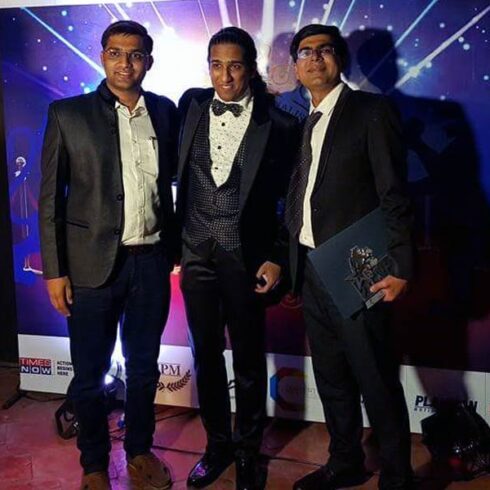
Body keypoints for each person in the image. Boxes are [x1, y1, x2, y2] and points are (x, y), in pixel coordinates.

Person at [38, 20, 179, 490]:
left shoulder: (165, 111)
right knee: (89, 373)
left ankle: (139, 451)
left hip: (151, 262)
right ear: (102, 56)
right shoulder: (68, 114)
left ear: (148, 61)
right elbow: (49, 199)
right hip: (89, 267)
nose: (125, 63)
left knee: (143, 368)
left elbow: (173, 184)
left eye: (135, 54)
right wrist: (55, 271)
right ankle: (94, 464)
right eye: (116, 53)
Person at [286, 25, 414, 490]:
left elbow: (394, 193)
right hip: (310, 267)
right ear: (295, 66)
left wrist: (400, 264)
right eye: (305, 51)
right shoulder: (301, 120)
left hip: (358, 268)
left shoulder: (371, 111)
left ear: (340, 60)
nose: (314, 58)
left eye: (325, 50)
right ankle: (345, 462)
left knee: (375, 378)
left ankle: (397, 476)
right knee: (332, 376)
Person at [177, 27, 298, 490]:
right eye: (216, 65)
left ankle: (248, 451)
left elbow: (292, 200)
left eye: (234, 66)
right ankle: (216, 446)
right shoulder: (189, 105)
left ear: (251, 69)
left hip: (245, 256)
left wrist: (278, 256)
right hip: (195, 252)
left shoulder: (280, 124)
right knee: (205, 355)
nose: (224, 76)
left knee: (248, 360)